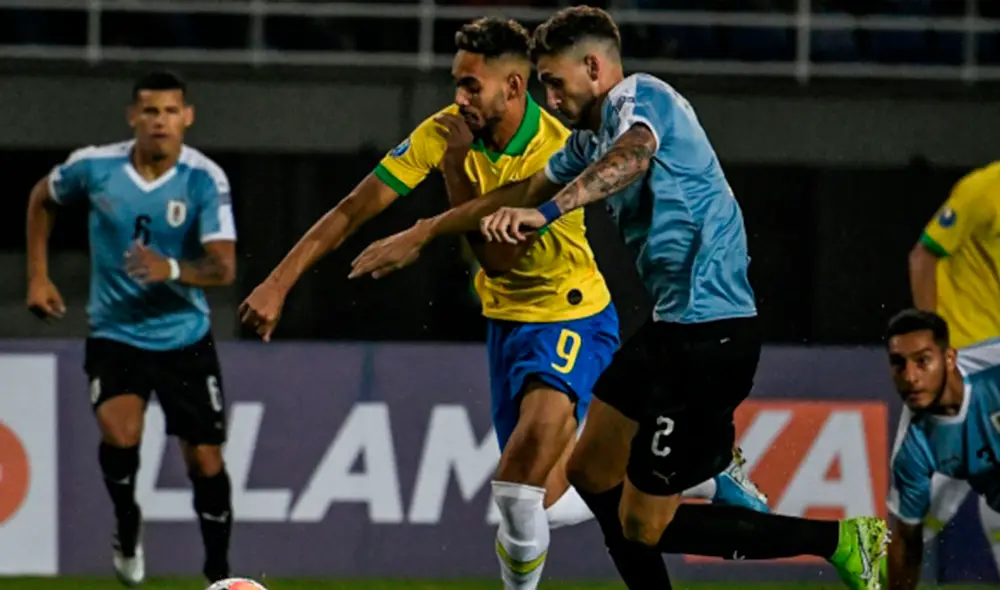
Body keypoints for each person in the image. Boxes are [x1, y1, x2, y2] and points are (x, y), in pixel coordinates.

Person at [349, 7, 887, 590]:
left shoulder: (642, 98)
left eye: (555, 82)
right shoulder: (588, 139)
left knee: (641, 527)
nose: (548, 99)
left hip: (714, 334)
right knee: (589, 473)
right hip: (668, 330)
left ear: (594, 66)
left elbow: (632, 158)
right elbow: (525, 187)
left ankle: (838, 541)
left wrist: (546, 213)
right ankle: (711, 470)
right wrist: (426, 230)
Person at [240, 17, 766, 590]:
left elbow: (499, 258)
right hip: (507, 327)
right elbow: (351, 209)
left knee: (517, 490)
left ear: (512, 88)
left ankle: (699, 473)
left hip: (572, 317)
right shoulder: (450, 131)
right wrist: (278, 281)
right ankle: (703, 475)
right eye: (455, 83)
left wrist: (453, 183)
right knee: (546, 500)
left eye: (471, 86)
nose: (458, 98)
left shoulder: (561, 137)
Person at [25, 71, 237, 586]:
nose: (159, 121)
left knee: (206, 463)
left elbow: (224, 267)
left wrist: (170, 269)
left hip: (183, 336)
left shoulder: (204, 179)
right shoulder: (95, 166)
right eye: (149, 111)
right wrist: (38, 276)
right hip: (116, 332)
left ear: (187, 117)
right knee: (121, 434)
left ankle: (218, 576)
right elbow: (41, 198)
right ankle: (126, 521)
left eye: (169, 111)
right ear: (132, 117)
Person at [902, 162, 1000, 567]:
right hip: (967, 358)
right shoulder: (983, 189)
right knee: (934, 493)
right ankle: (878, 571)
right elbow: (923, 255)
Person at [884, 309, 1000, 590]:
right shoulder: (911, 450)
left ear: (949, 359)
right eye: (899, 364)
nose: (910, 376)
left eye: (922, 361)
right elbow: (908, 542)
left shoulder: (993, 371)